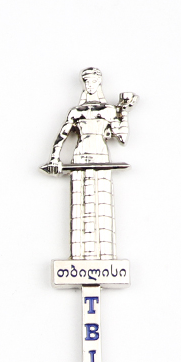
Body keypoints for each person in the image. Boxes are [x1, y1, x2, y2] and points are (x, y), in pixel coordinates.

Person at [43, 68, 137, 260]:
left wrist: (124, 112)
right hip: (80, 157)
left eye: (93, 81)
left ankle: (106, 259)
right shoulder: (76, 112)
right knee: (79, 208)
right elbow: (62, 136)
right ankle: (78, 259)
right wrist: (54, 158)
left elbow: (122, 137)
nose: (90, 85)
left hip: (100, 157)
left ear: (99, 83)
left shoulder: (108, 110)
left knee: (102, 207)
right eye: (87, 82)